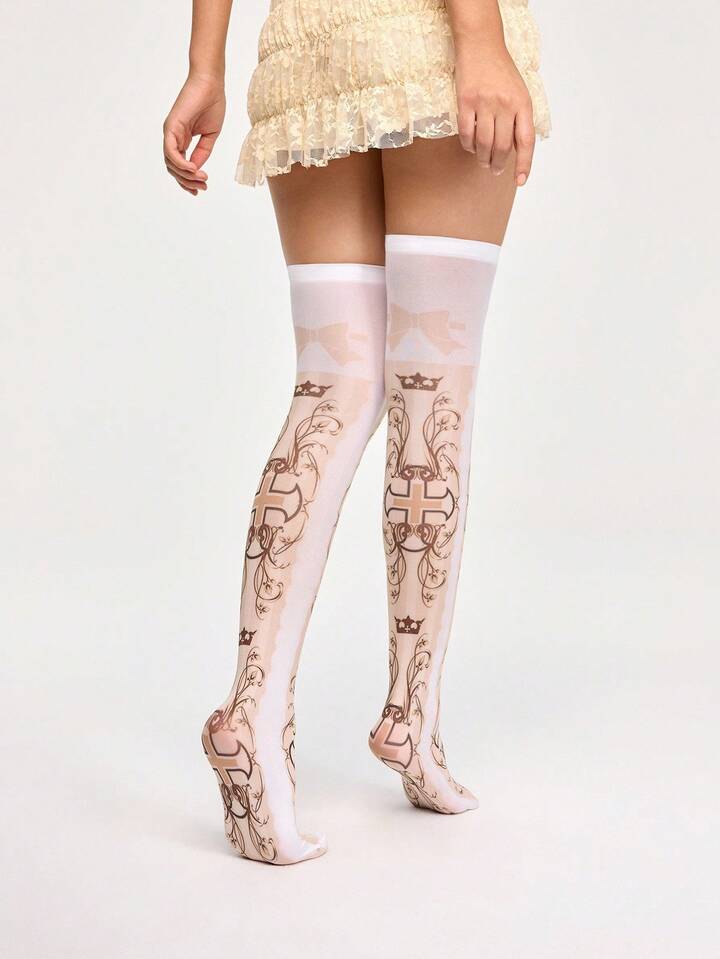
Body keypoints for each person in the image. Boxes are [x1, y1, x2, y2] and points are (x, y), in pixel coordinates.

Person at [163, 0, 550, 865]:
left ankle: (252, 709)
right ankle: (411, 717)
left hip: (308, 50)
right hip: (426, 39)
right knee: (431, 387)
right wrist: (481, 38)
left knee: (332, 387)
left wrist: (205, 66)